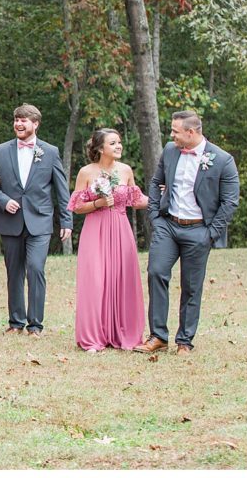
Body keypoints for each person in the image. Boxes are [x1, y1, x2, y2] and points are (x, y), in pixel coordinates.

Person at [135, 110, 239, 356]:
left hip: (199, 230)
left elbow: (230, 202)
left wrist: (210, 233)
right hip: (168, 226)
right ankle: (158, 336)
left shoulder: (222, 160)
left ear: (191, 132)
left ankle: (184, 341)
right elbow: (155, 182)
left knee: (191, 286)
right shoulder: (170, 151)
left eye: (175, 131)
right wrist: (155, 218)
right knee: (156, 272)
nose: (171, 135)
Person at [0, 103, 72, 337]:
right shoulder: (1, 151)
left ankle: (35, 325)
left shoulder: (49, 152)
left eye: (24, 120)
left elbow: (62, 190)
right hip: (10, 221)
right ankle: (15, 322)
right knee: (14, 272)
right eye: (16, 119)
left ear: (35, 124)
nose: (18, 124)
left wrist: (66, 221)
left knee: (35, 269)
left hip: (40, 221)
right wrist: (2, 200)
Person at [68, 129, 149, 351]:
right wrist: (98, 204)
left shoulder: (126, 170)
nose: (118, 146)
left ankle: (123, 333)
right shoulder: (86, 172)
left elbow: (137, 199)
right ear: (100, 148)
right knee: (95, 280)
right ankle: (94, 337)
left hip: (121, 229)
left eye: (119, 142)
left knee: (122, 278)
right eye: (113, 143)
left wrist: (162, 198)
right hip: (95, 230)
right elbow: (76, 206)